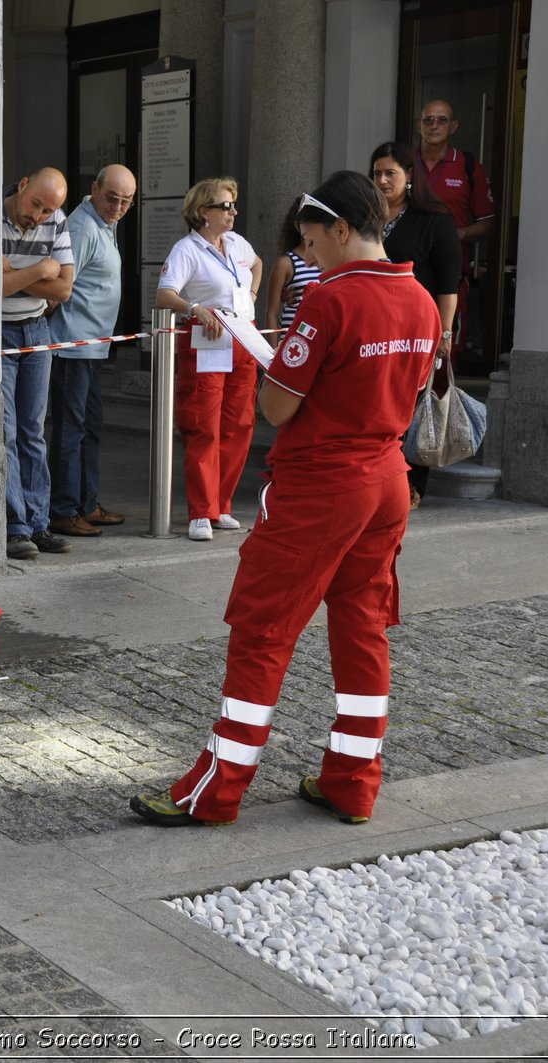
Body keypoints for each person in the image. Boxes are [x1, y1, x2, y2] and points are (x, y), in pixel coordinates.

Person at [131, 171, 440, 829]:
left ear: (342, 228)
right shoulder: (418, 298)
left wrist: (279, 368)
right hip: (386, 478)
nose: (308, 258)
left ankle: (216, 790)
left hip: (321, 484)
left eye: (312, 243)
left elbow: (276, 406)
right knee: (362, 625)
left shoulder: (329, 300)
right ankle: (354, 780)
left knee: (262, 628)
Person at [155, 177, 264, 541]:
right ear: (203, 211)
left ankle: (222, 505)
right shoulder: (187, 249)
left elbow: (258, 263)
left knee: (239, 423)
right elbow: (165, 294)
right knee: (204, 424)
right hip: (208, 340)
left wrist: (249, 294)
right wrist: (195, 307)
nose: (233, 212)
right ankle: (200, 511)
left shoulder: (235, 243)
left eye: (234, 205)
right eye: (225, 206)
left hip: (242, 337)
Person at [371, 141, 463, 508]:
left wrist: (445, 332)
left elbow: (447, 282)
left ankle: (411, 483)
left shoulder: (434, 220)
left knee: (413, 406)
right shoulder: (366, 219)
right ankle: (380, 475)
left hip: (417, 330)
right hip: (373, 328)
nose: (381, 180)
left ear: (410, 176)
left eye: (390, 172)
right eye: (376, 173)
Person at [47, 163, 136, 538]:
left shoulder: (105, 223)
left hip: (93, 348)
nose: (117, 206)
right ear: (95, 188)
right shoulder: (83, 227)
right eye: (112, 198)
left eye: (126, 201)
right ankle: (63, 510)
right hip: (72, 346)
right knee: (70, 429)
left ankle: (85, 503)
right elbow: (59, 285)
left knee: (90, 428)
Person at [2, 167, 76, 560]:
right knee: (7, 430)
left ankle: (38, 523)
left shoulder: (58, 220)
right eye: (36, 206)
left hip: (36, 329)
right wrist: (39, 270)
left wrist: (14, 273)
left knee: (33, 430)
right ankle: (16, 528)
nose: (40, 217)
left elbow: (63, 288)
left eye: (48, 212)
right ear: (23, 184)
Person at [415, 99, 495, 350]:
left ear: (454, 126)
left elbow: (488, 223)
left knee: (446, 341)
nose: (434, 126)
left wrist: (457, 235)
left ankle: (444, 389)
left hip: (452, 269)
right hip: (409, 267)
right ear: (419, 126)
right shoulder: (404, 164)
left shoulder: (468, 167)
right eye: (428, 120)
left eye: (442, 120)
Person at [263, 201, 320, 335]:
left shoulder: (330, 259)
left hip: (321, 334)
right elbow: (272, 313)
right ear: (297, 224)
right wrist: (272, 351)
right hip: (293, 337)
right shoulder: (286, 263)